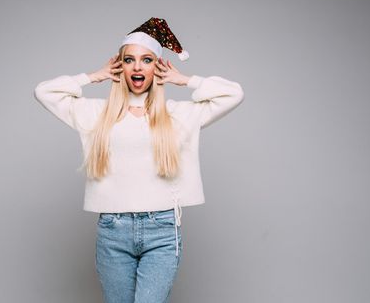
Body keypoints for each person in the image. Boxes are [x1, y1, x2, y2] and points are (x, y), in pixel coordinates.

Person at [34, 17, 244, 303]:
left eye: (146, 60)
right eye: (129, 60)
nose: (137, 67)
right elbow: (43, 92)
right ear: (120, 67)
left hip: (162, 231)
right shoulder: (98, 115)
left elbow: (234, 93)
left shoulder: (176, 115)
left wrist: (185, 80)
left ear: (156, 67)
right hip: (113, 231)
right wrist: (93, 76)